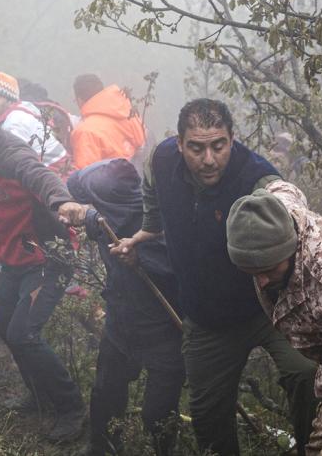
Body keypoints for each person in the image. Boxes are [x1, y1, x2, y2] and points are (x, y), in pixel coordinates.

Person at [111, 98, 318, 456]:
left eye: (218, 146)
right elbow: (151, 193)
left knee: (307, 376)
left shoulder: (256, 177)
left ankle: (314, 448)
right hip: (207, 319)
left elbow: (289, 208)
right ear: (179, 143)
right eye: (196, 147)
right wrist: (147, 232)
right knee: (208, 419)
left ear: (232, 140)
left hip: (271, 308)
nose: (209, 159)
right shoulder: (161, 161)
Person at [0, 86, 88, 442]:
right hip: (15, 257)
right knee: (6, 328)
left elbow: (38, 175)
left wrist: (62, 201)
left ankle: (71, 407)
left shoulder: (10, 153)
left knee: (24, 334)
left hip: (48, 257)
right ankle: (38, 394)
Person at [226, 181, 322, 456]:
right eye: (251, 271)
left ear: (290, 248)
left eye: (269, 269)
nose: (261, 280)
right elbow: (282, 187)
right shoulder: (277, 213)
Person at [68, 159, 184, 456]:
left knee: (158, 413)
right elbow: (75, 185)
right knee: (107, 390)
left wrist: (141, 261)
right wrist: (89, 213)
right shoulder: (104, 220)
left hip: (165, 332)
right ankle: (102, 447)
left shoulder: (159, 224)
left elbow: (181, 273)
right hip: (121, 322)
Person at [0, 71, 69, 173]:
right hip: (53, 169)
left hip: (55, 173)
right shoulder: (21, 109)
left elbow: (9, 162)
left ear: (10, 101)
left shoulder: (16, 121)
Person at [70, 74, 146, 170]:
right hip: (142, 178)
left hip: (118, 183)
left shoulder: (85, 132)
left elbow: (85, 177)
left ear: (80, 100)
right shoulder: (128, 111)